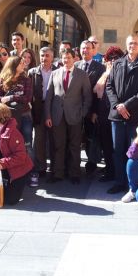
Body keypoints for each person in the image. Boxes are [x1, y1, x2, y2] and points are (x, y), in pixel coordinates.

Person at [106, 33, 138, 194]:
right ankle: (119, 182)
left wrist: (126, 105)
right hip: (117, 117)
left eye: (135, 44)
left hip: (136, 116)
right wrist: (117, 106)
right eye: (130, 43)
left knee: (133, 151)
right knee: (117, 150)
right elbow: (109, 86)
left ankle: (132, 184)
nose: (132, 46)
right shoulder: (118, 63)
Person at [44, 48, 92, 184]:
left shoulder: (82, 75)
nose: (66, 60)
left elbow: (87, 97)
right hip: (57, 115)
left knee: (74, 145)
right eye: (64, 58)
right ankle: (58, 173)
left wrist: (82, 113)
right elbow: (49, 97)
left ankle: (74, 174)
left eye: (69, 58)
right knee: (58, 145)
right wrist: (48, 115)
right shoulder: (55, 74)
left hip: (75, 116)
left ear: (74, 58)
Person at [0, 103, 33, 206]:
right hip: (1, 166)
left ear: (0, 118)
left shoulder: (14, 133)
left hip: (17, 169)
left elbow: (20, 157)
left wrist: (1, 163)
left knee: (9, 200)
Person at [92, 46, 125, 182]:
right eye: (110, 59)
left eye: (116, 58)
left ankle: (118, 173)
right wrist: (107, 72)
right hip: (104, 112)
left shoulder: (123, 73)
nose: (113, 61)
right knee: (106, 144)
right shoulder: (106, 73)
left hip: (116, 113)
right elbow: (96, 90)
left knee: (117, 146)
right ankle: (109, 171)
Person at [76, 39, 106, 176]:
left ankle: (91, 163)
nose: (85, 51)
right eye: (83, 48)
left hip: (91, 109)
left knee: (90, 138)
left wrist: (95, 111)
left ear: (93, 51)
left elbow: (99, 92)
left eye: (88, 48)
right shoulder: (75, 65)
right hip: (75, 109)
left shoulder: (100, 68)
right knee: (75, 137)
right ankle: (74, 163)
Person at [28, 47, 56, 186]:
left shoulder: (57, 71)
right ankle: (41, 167)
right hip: (38, 108)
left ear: (52, 57)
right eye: (42, 55)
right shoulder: (32, 72)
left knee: (53, 139)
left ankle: (55, 167)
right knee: (38, 139)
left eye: (47, 56)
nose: (44, 58)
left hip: (53, 108)